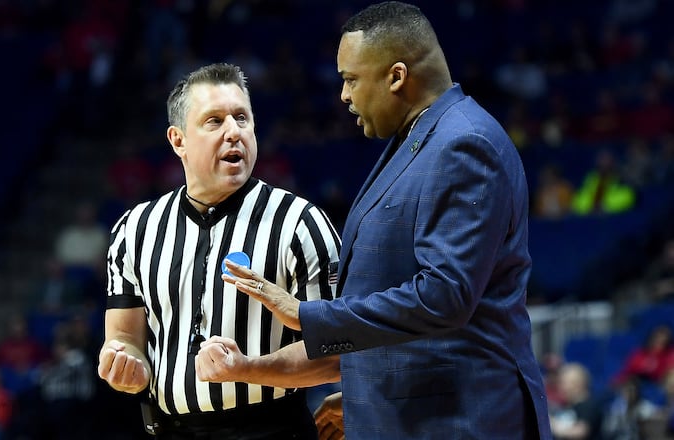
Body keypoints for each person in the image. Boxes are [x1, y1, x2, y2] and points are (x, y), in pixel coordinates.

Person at [195, 3, 552, 439]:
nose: (344, 95)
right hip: (414, 411)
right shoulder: (420, 137)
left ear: (396, 76)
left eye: (350, 80)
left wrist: (308, 314)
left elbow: (446, 296)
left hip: (461, 419)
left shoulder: (464, 144)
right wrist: (366, 391)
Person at [96, 62, 341, 439]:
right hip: (167, 429)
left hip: (271, 429)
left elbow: (337, 352)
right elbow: (125, 337)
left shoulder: (301, 223)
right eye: (214, 121)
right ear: (178, 140)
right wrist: (128, 366)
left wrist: (247, 368)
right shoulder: (135, 229)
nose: (234, 132)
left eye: (242, 118)